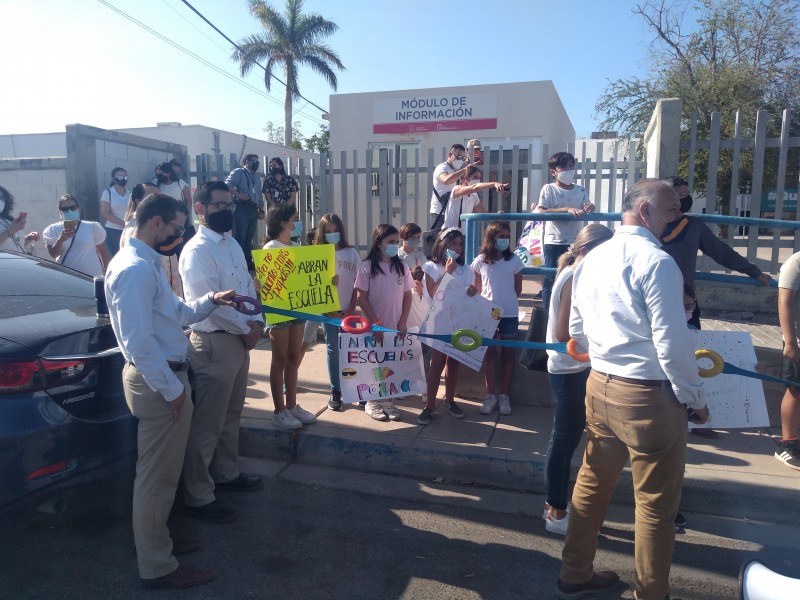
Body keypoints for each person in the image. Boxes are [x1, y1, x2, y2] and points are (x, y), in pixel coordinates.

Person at [557, 179, 710, 600]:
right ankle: (650, 593)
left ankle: (574, 573)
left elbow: (577, 330)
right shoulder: (657, 262)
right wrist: (695, 399)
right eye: (670, 213)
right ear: (645, 212)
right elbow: (673, 345)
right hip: (649, 395)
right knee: (656, 508)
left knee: (591, 484)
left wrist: (607, 353)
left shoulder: (592, 257)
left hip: (600, 385)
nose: (675, 221)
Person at [104, 193, 238, 589]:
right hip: (159, 382)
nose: (179, 236)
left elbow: (177, 312)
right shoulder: (134, 269)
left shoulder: (145, 264)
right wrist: (172, 391)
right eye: (176, 228)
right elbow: (139, 341)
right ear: (156, 222)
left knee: (164, 473)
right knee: (156, 479)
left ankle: (157, 541)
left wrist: (211, 300)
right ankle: (157, 566)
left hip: (165, 378)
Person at [179, 181, 265, 525]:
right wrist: (247, 329)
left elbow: (245, 289)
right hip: (215, 342)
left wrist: (256, 322)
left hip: (241, 339)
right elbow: (210, 303)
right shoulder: (197, 251)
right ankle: (198, 494)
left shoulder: (230, 244)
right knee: (208, 423)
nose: (226, 210)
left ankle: (225, 474)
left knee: (231, 416)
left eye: (229, 203)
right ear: (200, 209)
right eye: (218, 205)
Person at [541, 224, 613, 536]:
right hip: (569, 368)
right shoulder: (574, 275)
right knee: (563, 439)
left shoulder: (574, 271)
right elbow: (563, 333)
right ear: (585, 250)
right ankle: (555, 511)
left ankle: (558, 507)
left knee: (568, 439)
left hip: (575, 367)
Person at [662, 176, 772, 329]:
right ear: (667, 198)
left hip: (684, 300)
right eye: (681, 195)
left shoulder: (693, 226)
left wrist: (753, 271)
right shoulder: (649, 226)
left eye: (687, 194)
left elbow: (721, 252)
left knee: (691, 344)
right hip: (653, 298)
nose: (686, 199)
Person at [262, 204, 317, 430]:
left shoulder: (297, 247)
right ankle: (279, 410)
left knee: (294, 357)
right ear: (284, 223)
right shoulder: (270, 248)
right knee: (280, 359)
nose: (298, 223)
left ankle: (292, 405)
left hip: (297, 308)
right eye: (295, 219)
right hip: (279, 309)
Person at [418, 227, 479, 425]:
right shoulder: (431, 267)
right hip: (438, 321)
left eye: (460, 244)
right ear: (443, 244)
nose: (457, 248)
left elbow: (470, 294)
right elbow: (435, 293)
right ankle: (429, 406)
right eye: (453, 243)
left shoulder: (465, 269)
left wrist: (472, 291)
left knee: (453, 362)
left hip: (458, 321)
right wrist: (447, 271)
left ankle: (450, 400)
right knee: (437, 363)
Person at [355, 224, 414, 422]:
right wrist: (376, 323)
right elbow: (361, 298)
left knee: (392, 364)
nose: (394, 246)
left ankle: (389, 401)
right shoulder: (366, 268)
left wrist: (403, 321)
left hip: (395, 327)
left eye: (396, 242)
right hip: (373, 328)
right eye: (390, 242)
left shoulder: (402, 267)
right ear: (379, 242)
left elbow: (407, 296)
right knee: (374, 364)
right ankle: (372, 402)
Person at [472, 222, 525, 416]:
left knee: (508, 355)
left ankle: (504, 395)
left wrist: (507, 303)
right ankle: (490, 395)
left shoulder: (515, 261)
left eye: (507, 236)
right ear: (491, 237)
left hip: (509, 314)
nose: (504, 240)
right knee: (490, 355)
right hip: (487, 314)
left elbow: (518, 289)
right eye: (500, 236)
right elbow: (477, 289)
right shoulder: (480, 261)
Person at [534, 151, 595, 308]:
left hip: (575, 243)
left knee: (574, 277)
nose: (569, 170)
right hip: (553, 242)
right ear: (553, 172)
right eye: (564, 167)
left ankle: (570, 312)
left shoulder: (580, 189)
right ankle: (548, 314)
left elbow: (587, 207)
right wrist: (567, 209)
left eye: (571, 166)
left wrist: (590, 207)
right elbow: (542, 211)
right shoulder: (549, 189)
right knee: (551, 277)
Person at [314, 213, 360, 411]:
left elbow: (359, 283)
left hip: (348, 309)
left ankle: (351, 387)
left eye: (336, 231)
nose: (333, 234)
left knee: (349, 350)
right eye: (328, 231)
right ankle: (336, 390)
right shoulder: (318, 254)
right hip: (328, 312)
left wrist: (351, 306)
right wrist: (331, 310)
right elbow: (315, 285)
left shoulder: (352, 254)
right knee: (333, 350)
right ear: (322, 233)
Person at [42, 194, 111, 277]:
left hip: (92, 275)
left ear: (78, 208)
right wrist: (61, 240)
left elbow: (103, 250)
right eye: (65, 209)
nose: (69, 211)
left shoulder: (92, 227)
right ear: (60, 211)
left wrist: (107, 272)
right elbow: (53, 254)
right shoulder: (52, 229)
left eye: (72, 208)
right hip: (68, 277)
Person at [775, 250, 800, 471]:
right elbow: (785, 302)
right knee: (795, 390)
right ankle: (788, 444)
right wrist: (791, 343)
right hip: (798, 340)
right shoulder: (796, 262)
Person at [226, 154, 264, 270]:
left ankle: (247, 261)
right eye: (254, 161)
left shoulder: (256, 177)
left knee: (249, 238)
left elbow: (259, 195)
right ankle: (238, 262)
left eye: (257, 161)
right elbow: (227, 184)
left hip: (253, 209)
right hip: (242, 209)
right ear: (246, 161)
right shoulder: (239, 172)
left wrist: (261, 209)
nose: (256, 163)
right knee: (240, 237)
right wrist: (239, 195)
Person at [443, 166, 502, 231]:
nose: (478, 180)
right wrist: (494, 184)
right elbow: (475, 187)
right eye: (475, 177)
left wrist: (498, 216)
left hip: (464, 235)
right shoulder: (457, 189)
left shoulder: (474, 196)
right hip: (450, 234)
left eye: (479, 178)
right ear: (466, 178)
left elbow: (484, 214)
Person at [430, 144, 470, 229]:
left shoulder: (455, 170)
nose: (460, 160)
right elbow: (446, 180)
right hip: (439, 213)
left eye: (462, 158)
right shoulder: (442, 168)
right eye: (458, 156)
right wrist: (464, 170)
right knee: (439, 240)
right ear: (450, 155)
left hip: (451, 212)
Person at [99, 167, 130, 256]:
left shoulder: (130, 193)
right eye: (120, 176)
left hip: (128, 230)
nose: (123, 178)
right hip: (113, 231)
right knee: (116, 256)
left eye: (125, 176)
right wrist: (122, 223)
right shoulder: (108, 193)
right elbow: (105, 212)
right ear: (113, 178)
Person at [0, 185, 39, 253]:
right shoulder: (11, 227)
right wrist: (10, 231)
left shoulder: (8, 220)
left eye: (2, 198)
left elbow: (16, 245)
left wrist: (27, 240)